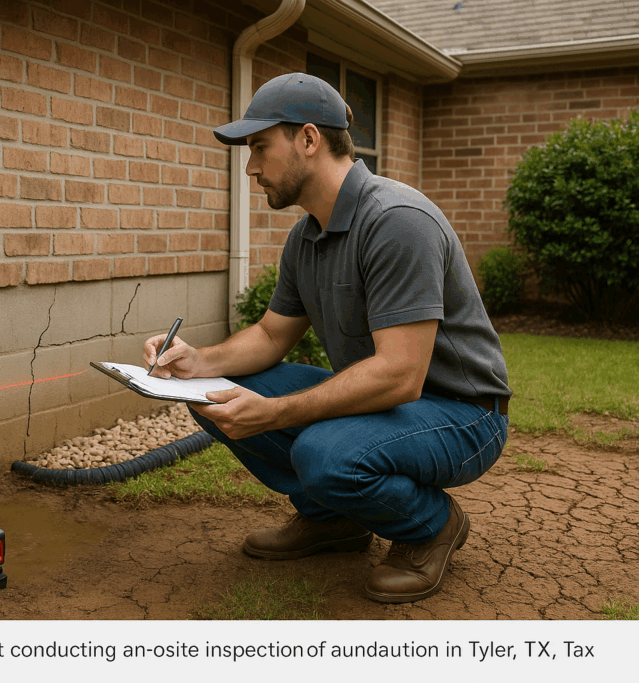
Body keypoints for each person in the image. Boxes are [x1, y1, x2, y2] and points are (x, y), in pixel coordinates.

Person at [143, 73, 512, 604]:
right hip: (388, 402)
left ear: (309, 140)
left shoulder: (396, 221)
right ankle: (334, 520)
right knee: (215, 393)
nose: (250, 168)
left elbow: (401, 375)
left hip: (463, 413)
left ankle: (432, 525)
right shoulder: (308, 234)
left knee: (324, 453)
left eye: (259, 147)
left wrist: (274, 413)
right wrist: (197, 363)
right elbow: (272, 335)